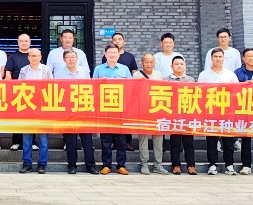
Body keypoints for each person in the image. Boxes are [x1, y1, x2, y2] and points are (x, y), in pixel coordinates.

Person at [55, 49, 98, 175]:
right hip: (68, 111)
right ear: (64, 59)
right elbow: (58, 92)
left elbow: (90, 88)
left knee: (87, 140)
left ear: (77, 58)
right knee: (70, 141)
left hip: (84, 109)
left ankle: (91, 166)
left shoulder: (84, 71)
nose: (71, 59)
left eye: (73, 57)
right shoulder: (59, 73)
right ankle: (72, 165)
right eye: (68, 57)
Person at [198, 48, 239, 175]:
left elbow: (237, 92)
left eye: (220, 56)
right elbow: (199, 92)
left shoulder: (230, 75)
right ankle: (212, 165)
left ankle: (229, 165)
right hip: (210, 112)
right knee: (211, 140)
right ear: (211, 58)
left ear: (223, 58)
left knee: (228, 141)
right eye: (215, 56)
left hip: (227, 112)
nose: (218, 59)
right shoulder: (204, 74)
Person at [92, 44, 132, 175]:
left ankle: (121, 165)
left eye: (115, 52)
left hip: (121, 109)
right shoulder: (99, 69)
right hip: (105, 109)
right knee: (106, 139)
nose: (113, 55)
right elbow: (93, 88)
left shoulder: (125, 69)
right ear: (105, 54)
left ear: (119, 54)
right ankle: (106, 165)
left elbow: (131, 88)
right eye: (110, 53)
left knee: (121, 139)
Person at [133, 53, 169, 174]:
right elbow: (132, 92)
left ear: (154, 63)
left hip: (157, 109)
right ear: (142, 63)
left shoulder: (159, 75)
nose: (149, 64)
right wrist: (137, 82)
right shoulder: (136, 75)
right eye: (146, 62)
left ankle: (158, 164)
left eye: (151, 62)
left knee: (158, 138)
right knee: (143, 137)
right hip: (142, 109)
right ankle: (144, 163)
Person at [18, 48, 52, 174]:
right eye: (31, 56)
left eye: (36, 56)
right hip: (28, 107)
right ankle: (27, 163)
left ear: (40, 57)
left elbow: (52, 88)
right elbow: (19, 88)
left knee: (43, 138)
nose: (34, 58)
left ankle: (42, 164)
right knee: (27, 138)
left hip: (43, 108)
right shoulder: (23, 70)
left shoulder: (46, 70)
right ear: (28, 57)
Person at [165, 56, 196, 175]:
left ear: (185, 66)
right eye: (176, 64)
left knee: (189, 142)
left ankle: (191, 165)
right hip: (173, 115)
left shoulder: (190, 80)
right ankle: (176, 165)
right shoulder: (166, 80)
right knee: (175, 142)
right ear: (171, 66)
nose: (179, 66)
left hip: (188, 115)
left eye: (181, 64)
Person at [5, 33, 33, 152]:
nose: (24, 43)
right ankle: (16, 141)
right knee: (17, 117)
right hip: (17, 91)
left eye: (26, 41)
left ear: (30, 42)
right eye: (21, 41)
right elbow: (8, 73)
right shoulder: (13, 57)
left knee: (32, 118)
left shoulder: (34, 55)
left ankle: (32, 142)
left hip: (33, 92)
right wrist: (10, 88)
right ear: (18, 42)